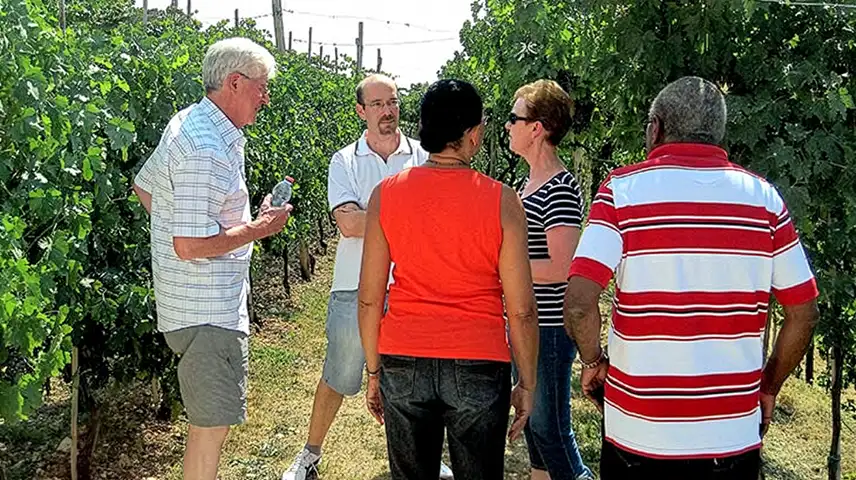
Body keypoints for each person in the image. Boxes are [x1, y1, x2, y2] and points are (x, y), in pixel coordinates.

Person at [564, 76, 820, 479]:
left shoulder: (621, 192)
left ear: (656, 128)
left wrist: (593, 361)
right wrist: (767, 388)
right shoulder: (766, 200)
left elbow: (580, 301)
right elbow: (803, 313)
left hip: (638, 433)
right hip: (731, 437)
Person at [358, 79, 540, 480]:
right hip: (479, 359)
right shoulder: (502, 200)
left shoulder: (385, 195)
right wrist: (526, 382)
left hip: (404, 358)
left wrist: (375, 373)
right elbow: (523, 310)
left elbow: (370, 299)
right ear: (473, 134)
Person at [283, 74, 457, 480]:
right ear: (361, 111)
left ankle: (427, 456)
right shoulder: (344, 161)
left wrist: (377, 217)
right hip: (353, 283)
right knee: (340, 374)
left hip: (413, 286)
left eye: (393, 102)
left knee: (415, 380)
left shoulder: (423, 156)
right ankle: (309, 454)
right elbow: (346, 223)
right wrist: (410, 216)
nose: (388, 111)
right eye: (377, 104)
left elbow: (432, 217)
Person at [133, 37, 291, 480]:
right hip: (207, 312)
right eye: (262, 86)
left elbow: (147, 190)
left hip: (193, 307)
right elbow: (189, 245)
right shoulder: (205, 145)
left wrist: (229, 222)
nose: (266, 97)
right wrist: (258, 229)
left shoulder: (191, 124)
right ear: (235, 82)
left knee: (211, 425)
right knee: (210, 428)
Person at [505, 80, 594, 480]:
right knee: (537, 436)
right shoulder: (530, 184)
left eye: (514, 118)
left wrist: (502, 267)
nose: (507, 126)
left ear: (537, 127)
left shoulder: (559, 187)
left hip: (550, 327)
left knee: (551, 430)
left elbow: (561, 266)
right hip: (530, 322)